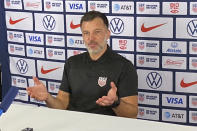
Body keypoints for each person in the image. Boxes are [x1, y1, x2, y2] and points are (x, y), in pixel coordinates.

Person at [27, 11, 138, 118]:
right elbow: (61, 105)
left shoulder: (124, 66)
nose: (91, 39)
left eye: (97, 32)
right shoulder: (72, 63)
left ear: (107, 34)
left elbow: (132, 114)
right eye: (86, 33)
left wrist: (115, 103)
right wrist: (48, 97)